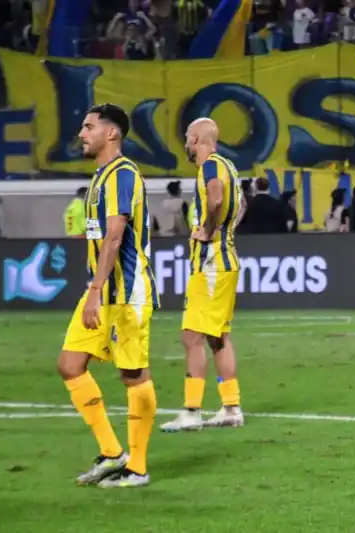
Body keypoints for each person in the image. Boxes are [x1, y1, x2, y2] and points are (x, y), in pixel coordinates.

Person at [57, 103, 159, 488]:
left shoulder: (122, 174)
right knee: (70, 364)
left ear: (111, 133)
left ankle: (138, 468)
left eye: (88, 127)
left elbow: (115, 236)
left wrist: (96, 290)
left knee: (133, 375)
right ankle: (113, 453)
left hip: (126, 293)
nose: (81, 133)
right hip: (101, 291)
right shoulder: (101, 177)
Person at [161, 118, 247, 432]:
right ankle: (231, 407)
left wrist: (209, 230)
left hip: (212, 263)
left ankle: (192, 410)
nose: (185, 142)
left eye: (186, 136)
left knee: (191, 336)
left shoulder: (210, 165)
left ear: (196, 138)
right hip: (224, 260)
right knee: (217, 337)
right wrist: (226, 230)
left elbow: (216, 198)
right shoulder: (230, 167)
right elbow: (241, 206)